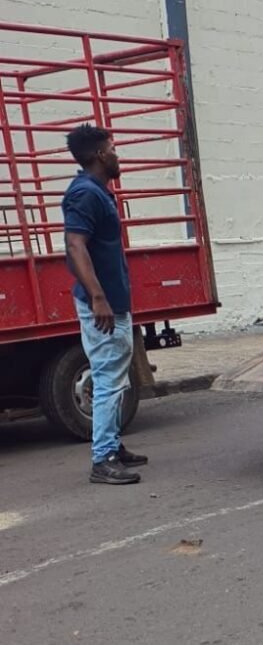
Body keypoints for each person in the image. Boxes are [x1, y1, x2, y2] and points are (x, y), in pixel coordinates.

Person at [62, 124, 148, 485]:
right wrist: (98, 297)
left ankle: (112, 444)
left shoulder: (98, 191)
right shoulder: (84, 194)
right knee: (109, 379)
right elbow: (75, 246)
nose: (117, 154)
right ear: (100, 155)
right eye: (113, 148)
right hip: (103, 304)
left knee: (116, 375)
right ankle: (103, 458)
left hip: (114, 301)